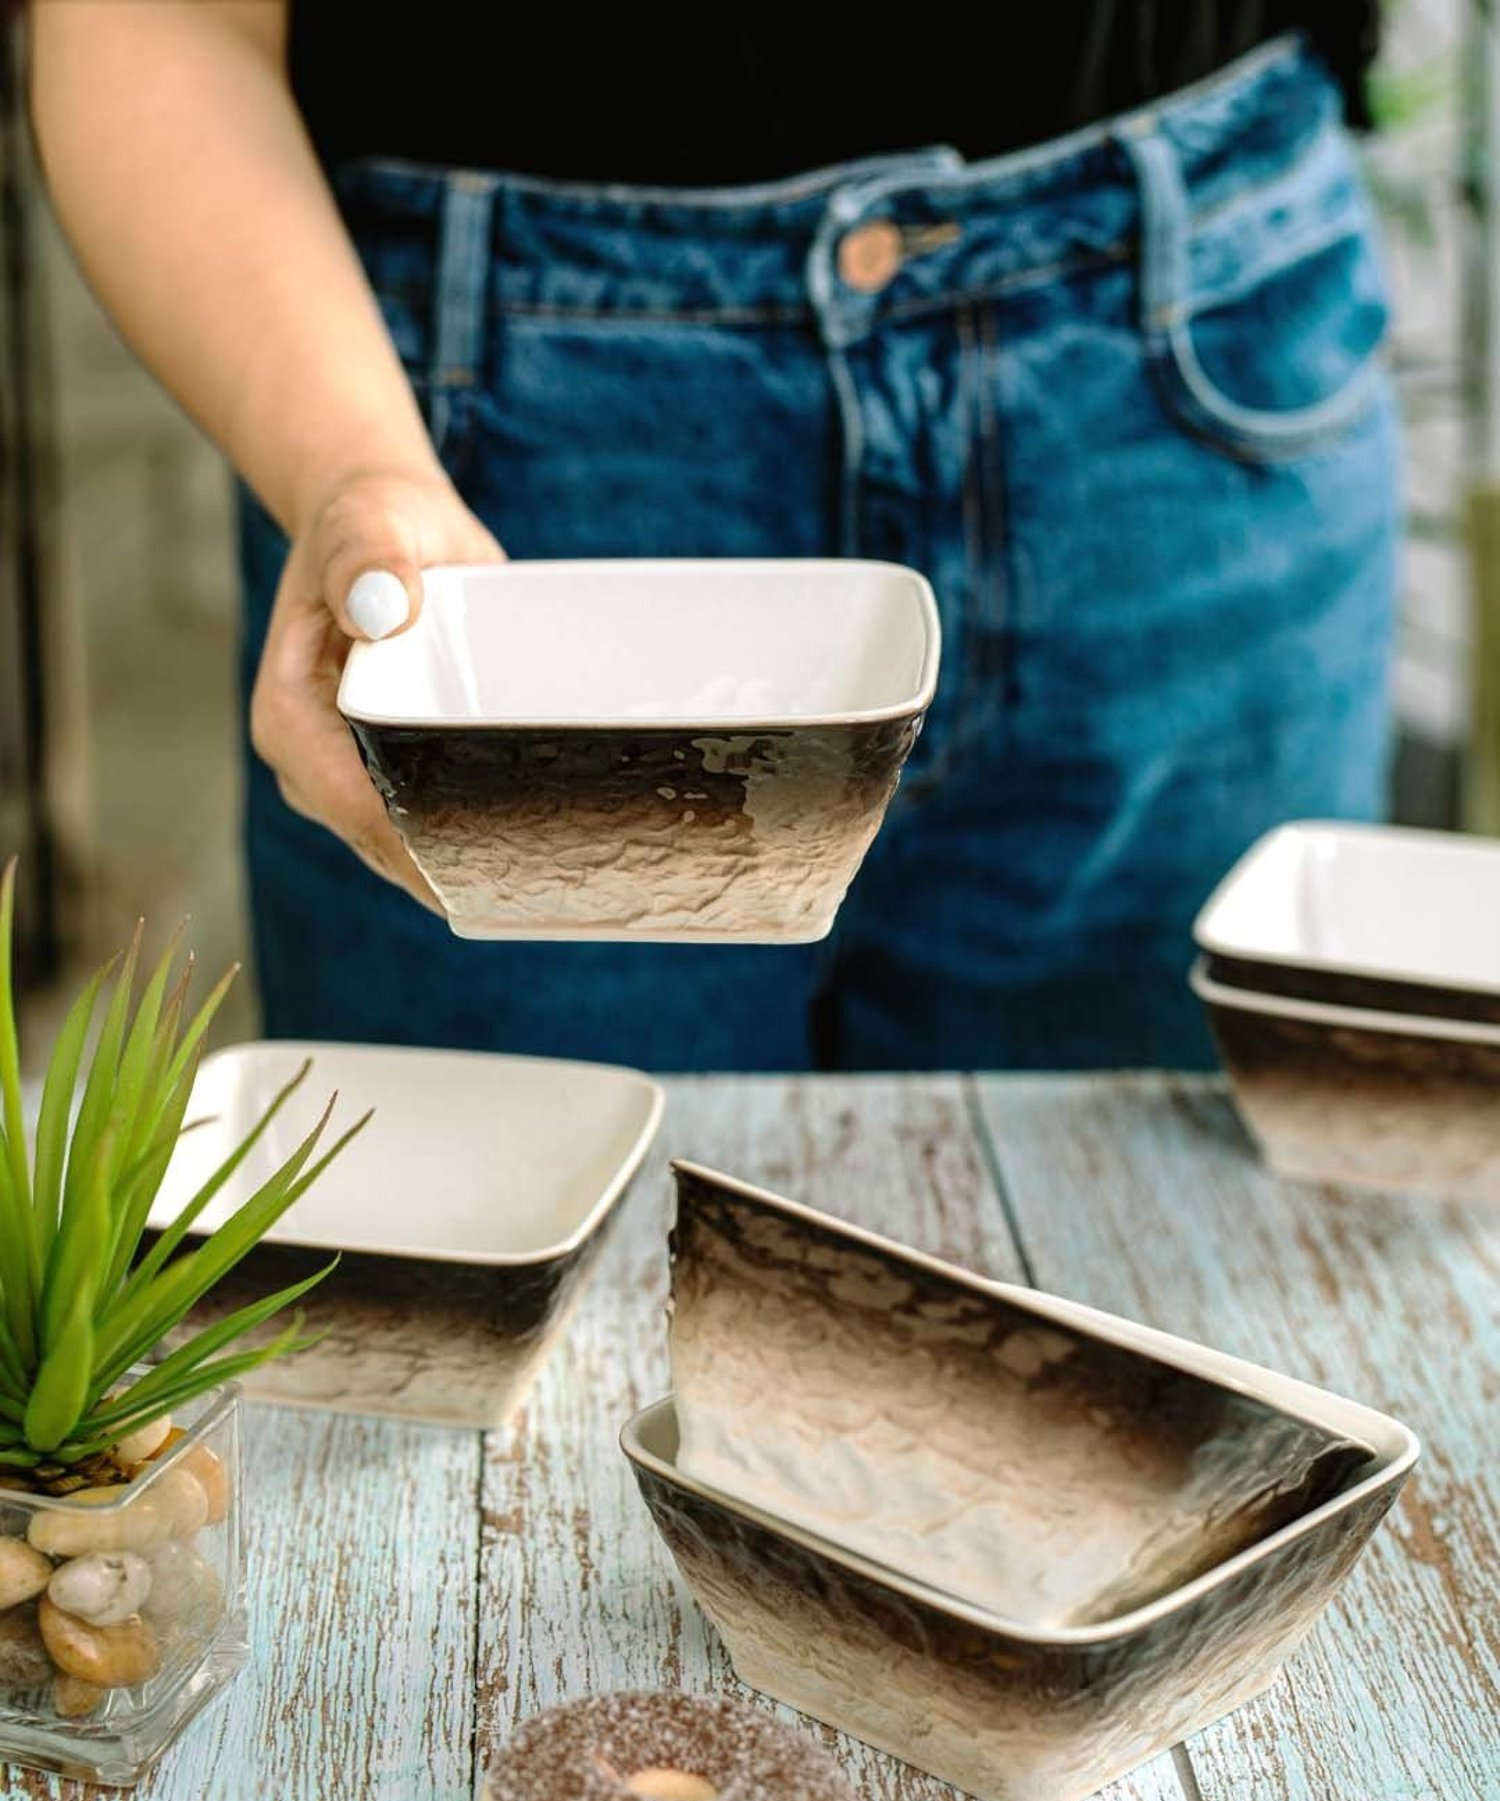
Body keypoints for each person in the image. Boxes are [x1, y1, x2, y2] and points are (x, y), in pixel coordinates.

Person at [30, 4, 1397, 1070]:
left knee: (1176, 1316)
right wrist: (351, 468)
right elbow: (152, 16)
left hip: (1179, 412)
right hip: (486, 458)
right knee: (508, 1395)